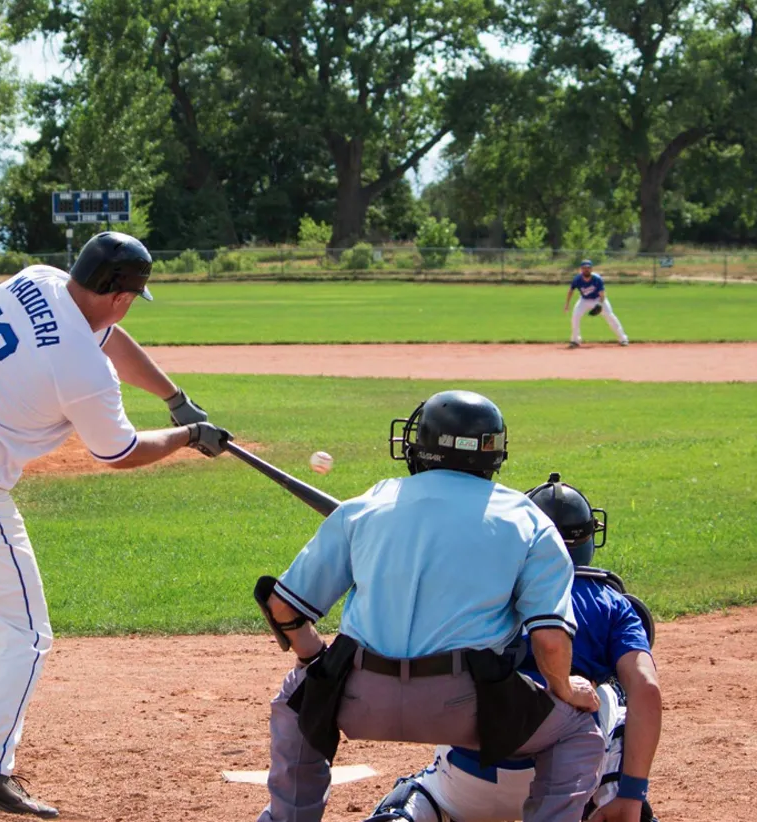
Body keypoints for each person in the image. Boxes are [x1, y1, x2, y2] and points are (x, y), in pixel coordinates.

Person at [0, 231, 229, 818]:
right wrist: (188, 437)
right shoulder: (84, 370)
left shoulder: (35, 279)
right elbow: (120, 451)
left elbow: (107, 338)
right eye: (133, 296)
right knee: (25, 631)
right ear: (120, 295)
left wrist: (173, 396)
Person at [254, 390, 605, 822]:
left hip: (360, 699)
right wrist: (567, 689)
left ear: (421, 445)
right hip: (471, 708)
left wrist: (315, 660)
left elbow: (283, 606)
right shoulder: (528, 518)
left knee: (296, 702)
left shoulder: (367, 504)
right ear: (494, 453)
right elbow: (550, 640)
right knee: (576, 731)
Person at [365, 473, 662, 822]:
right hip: (572, 783)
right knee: (616, 692)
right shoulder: (612, 605)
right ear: (589, 538)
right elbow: (648, 689)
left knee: (422, 786)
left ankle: (409, 814)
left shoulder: (479, 591)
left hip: (471, 775)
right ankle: (618, 799)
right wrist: (633, 791)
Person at [564, 260, 628, 348]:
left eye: (588, 268)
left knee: (610, 316)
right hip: (584, 300)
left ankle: (623, 339)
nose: (586, 270)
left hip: (598, 299)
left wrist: (600, 304)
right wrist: (567, 304)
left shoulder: (597, 278)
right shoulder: (577, 279)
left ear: (591, 269)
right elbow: (571, 291)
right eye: (584, 268)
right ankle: (575, 340)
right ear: (581, 269)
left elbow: (602, 294)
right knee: (575, 316)